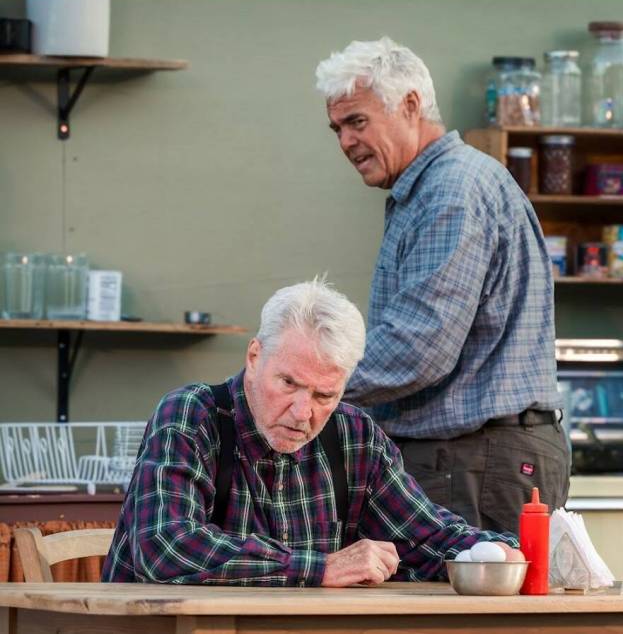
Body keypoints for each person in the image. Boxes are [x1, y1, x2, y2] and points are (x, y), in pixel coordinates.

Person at [102, 278, 520, 586]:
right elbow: (166, 547)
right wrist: (320, 568)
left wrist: (499, 553)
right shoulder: (192, 415)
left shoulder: (355, 436)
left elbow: (426, 539)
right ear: (254, 357)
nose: (303, 412)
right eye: (288, 383)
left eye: (324, 395)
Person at [313, 36, 568, 533]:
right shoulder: (439, 187)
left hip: (471, 461)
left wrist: (307, 381)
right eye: (337, 128)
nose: (345, 141)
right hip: (476, 458)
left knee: (457, 589)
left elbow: (419, 347)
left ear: (410, 105)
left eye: (357, 122)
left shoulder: (451, 192)